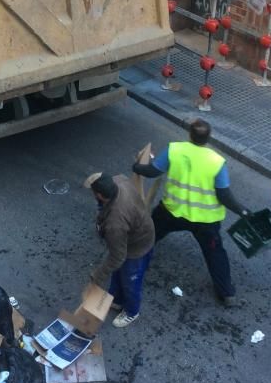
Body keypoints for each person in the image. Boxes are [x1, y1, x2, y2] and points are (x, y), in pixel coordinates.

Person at [132, 119, 250, 307]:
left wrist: (136, 167)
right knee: (215, 254)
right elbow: (224, 195)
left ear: (189, 134)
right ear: (208, 138)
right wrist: (242, 210)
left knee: (149, 236)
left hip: (172, 212)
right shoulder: (216, 162)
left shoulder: (174, 150)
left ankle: (132, 264)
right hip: (205, 222)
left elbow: (152, 172)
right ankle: (227, 294)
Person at [84, 172, 156, 328]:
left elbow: (118, 256)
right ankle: (116, 299)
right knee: (118, 273)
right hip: (142, 229)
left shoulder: (115, 223)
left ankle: (131, 311)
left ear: (100, 196)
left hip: (137, 247)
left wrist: (97, 275)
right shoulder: (120, 180)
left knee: (131, 282)